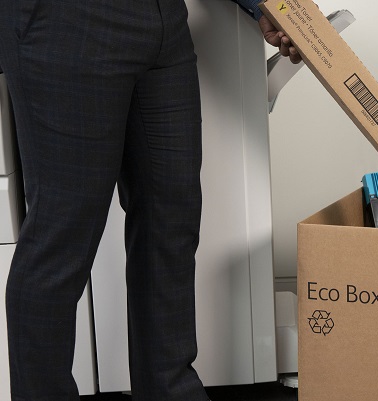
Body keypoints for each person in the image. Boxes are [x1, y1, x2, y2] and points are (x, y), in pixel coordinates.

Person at [0, 0, 299, 400]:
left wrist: (265, 4)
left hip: (162, 23)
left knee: (171, 219)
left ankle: (169, 390)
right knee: (62, 236)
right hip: (64, 23)